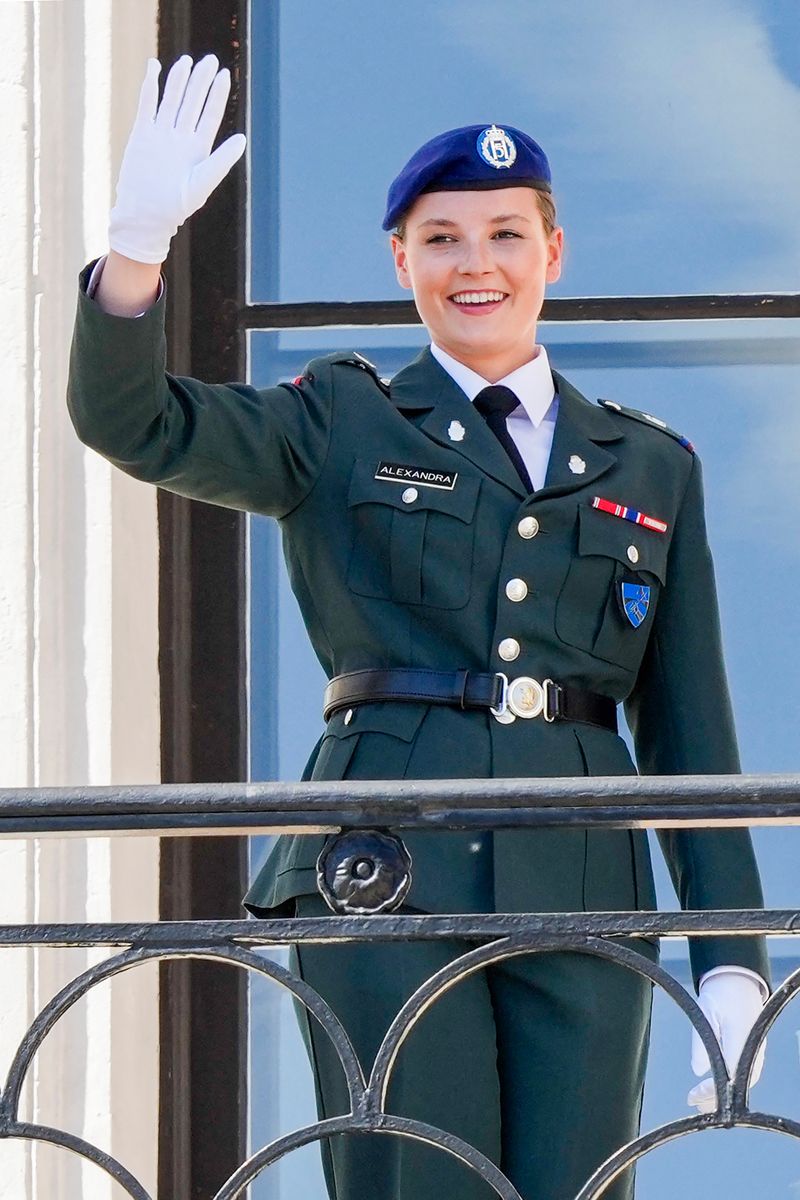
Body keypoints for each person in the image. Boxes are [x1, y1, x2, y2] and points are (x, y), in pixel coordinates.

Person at [67, 55, 771, 1200]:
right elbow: (133, 422)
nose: (473, 264)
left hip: (584, 878)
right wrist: (136, 255)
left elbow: (691, 727)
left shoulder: (649, 464)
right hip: (385, 868)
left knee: (578, 1187)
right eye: (441, 238)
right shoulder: (338, 417)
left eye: (502, 233)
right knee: (411, 1182)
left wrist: (731, 953)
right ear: (402, 262)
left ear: (552, 253)